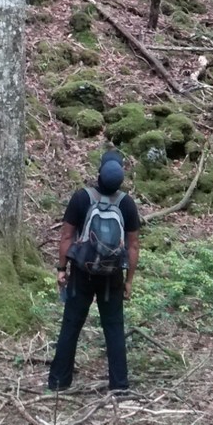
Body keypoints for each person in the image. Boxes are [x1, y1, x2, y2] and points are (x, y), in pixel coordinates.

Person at [48, 149, 140, 394]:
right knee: (114, 328)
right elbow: (132, 246)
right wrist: (129, 280)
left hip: (82, 273)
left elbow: (66, 236)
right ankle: (119, 387)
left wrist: (61, 269)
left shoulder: (82, 198)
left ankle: (58, 382)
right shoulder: (127, 204)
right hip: (113, 278)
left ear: (99, 173)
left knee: (71, 324)